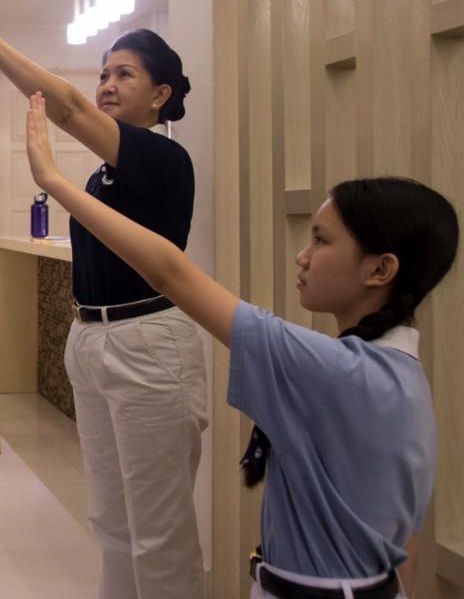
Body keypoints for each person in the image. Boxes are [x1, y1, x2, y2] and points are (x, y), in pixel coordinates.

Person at [25, 92, 456, 599]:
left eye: (321, 240)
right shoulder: (405, 379)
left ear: (380, 268)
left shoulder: (331, 369)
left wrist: (53, 180)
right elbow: (409, 543)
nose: (302, 255)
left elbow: (169, 271)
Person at [0, 0, 205, 597]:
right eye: (101, 74)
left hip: (150, 344)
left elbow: (63, 108)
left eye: (125, 74)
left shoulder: (164, 158)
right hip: (93, 341)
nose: (105, 85)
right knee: (112, 519)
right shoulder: (104, 173)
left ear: (161, 95)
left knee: (158, 530)